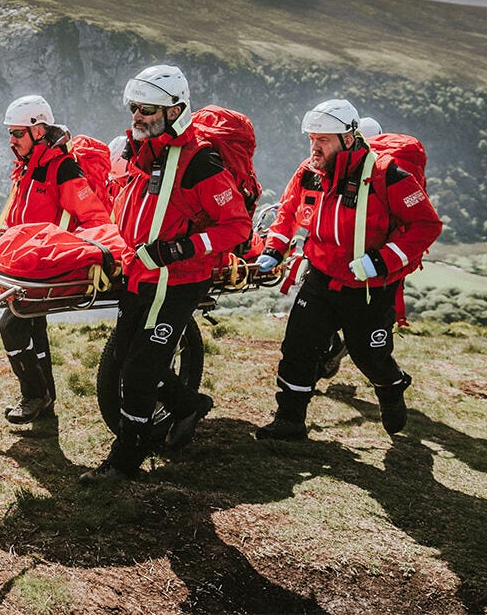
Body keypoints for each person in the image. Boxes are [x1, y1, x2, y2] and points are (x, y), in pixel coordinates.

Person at [80, 65, 252, 484]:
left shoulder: (200, 161)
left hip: (177, 281)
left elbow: (236, 226)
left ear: (175, 111)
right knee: (123, 357)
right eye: (134, 107)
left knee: (139, 370)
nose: (136, 116)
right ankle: (188, 406)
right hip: (140, 276)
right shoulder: (142, 151)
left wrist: (177, 249)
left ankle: (125, 461)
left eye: (147, 109)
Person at [254, 100, 441, 441]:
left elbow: (426, 225)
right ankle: (290, 419)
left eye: (323, 139)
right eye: (312, 138)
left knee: (368, 355)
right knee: (298, 346)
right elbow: (289, 211)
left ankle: (391, 385)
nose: (315, 146)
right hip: (321, 278)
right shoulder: (309, 172)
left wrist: (382, 260)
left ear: (349, 137)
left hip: (369, 286)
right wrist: (273, 249)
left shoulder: (387, 174)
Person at [0, 94, 113, 424]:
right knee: (33, 328)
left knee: (12, 326)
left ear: (39, 130)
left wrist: (76, 252)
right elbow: (16, 216)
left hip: (45, 265)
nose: (12, 140)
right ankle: (45, 402)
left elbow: (93, 217)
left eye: (18, 133)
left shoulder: (62, 168)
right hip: (24, 266)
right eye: (11, 133)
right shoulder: (27, 168)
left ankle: (34, 394)